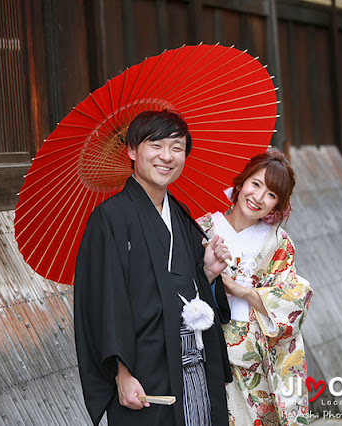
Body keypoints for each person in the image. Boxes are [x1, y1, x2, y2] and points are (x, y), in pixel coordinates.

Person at [74, 109, 233, 426]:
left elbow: (189, 289)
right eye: (156, 145)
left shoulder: (181, 214)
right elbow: (105, 302)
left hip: (193, 361)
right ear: (132, 150)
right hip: (144, 369)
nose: (167, 156)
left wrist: (210, 274)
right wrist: (122, 373)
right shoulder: (110, 218)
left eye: (177, 147)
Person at [196, 150, 313, 425]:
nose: (259, 197)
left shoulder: (278, 244)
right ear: (241, 182)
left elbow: (294, 301)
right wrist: (208, 276)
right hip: (205, 353)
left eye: (271, 194)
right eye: (256, 184)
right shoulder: (202, 229)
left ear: (277, 206)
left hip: (254, 364)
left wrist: (245, 291)